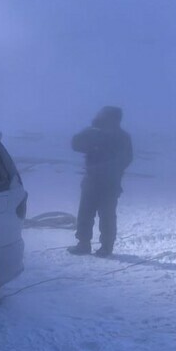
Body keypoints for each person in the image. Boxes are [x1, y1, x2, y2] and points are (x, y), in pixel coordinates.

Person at [68, 106, 133, 257]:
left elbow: (126, 159)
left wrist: (105, 169)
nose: (100, 117)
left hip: (110, 183)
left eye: (103, 116)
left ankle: (106, 247)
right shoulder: (94, 133)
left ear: (113, 118)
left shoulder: (123, 137)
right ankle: (83, 244)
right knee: (85, 213)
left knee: (107, 216)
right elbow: (75, 144)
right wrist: (90, 129)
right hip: (91, 180)